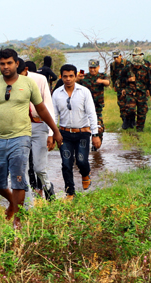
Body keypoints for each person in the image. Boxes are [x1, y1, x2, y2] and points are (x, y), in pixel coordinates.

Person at [0, 49, 62, 228]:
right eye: (2, 64)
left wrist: (54, 131)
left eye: (9, 63)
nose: (6, 67)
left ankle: (18, 219)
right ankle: (13, 202)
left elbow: (42, 109)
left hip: (21, 137)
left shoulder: (28, 83)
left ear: (17, 63)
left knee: (19, 177)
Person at [52, 64, 100, 199]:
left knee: (81, 160)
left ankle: (85, 173)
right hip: (64, 134)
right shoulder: (57, 93)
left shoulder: (84, 92)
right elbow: (54, 116)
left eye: (71, 76)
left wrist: (95, 134)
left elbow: (92, 113)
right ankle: (70, 192)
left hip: (83, 133)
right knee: (66, 163)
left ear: (75, 76)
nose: (68, 79)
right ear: (61, 77)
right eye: (65, 76)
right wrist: (51, 134)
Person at [23, 60, 55, 199]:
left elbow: (47, 106)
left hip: (38, 124)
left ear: (25, 70)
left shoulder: (39, 80)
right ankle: (27, 200)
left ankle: (48, 188)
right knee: (22, 167)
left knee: (39, 167)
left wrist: (52, 133)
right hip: (21, 127)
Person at [77, 60, 110, 145]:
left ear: (98, 67)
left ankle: (96, 145)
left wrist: (101, 81)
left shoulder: (102, 76)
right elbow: (72, 83)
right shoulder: (84, 77)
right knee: (82, 128)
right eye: (91, 68)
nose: (92, 70)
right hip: (84, 108)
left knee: (99, 127)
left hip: (97, 108)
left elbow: (108, 82)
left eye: (94, 68)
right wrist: (77, 78)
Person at [119, 52, 151, 132]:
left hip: (142, 92)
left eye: (138, 65)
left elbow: (150, 80)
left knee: (142, 111)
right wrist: (124, 86)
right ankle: (129, 120)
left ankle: (140, 129)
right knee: (130, 109)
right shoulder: (128, 68)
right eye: (135, 65)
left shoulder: (146, 69)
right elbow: (121, 78)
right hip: (130, 92)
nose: (137, 66)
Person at [109, 49, 129, 126]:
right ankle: (124, 121)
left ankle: (131, 120)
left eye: (117, 57)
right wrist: (114, 85)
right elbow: (112, 76)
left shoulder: (127, 63)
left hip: (128, 87)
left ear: (121, 56)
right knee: (121, 104)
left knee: (130, 104)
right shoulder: (113, 65)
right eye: (114, 58)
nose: (116, 59)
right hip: (119, 87)